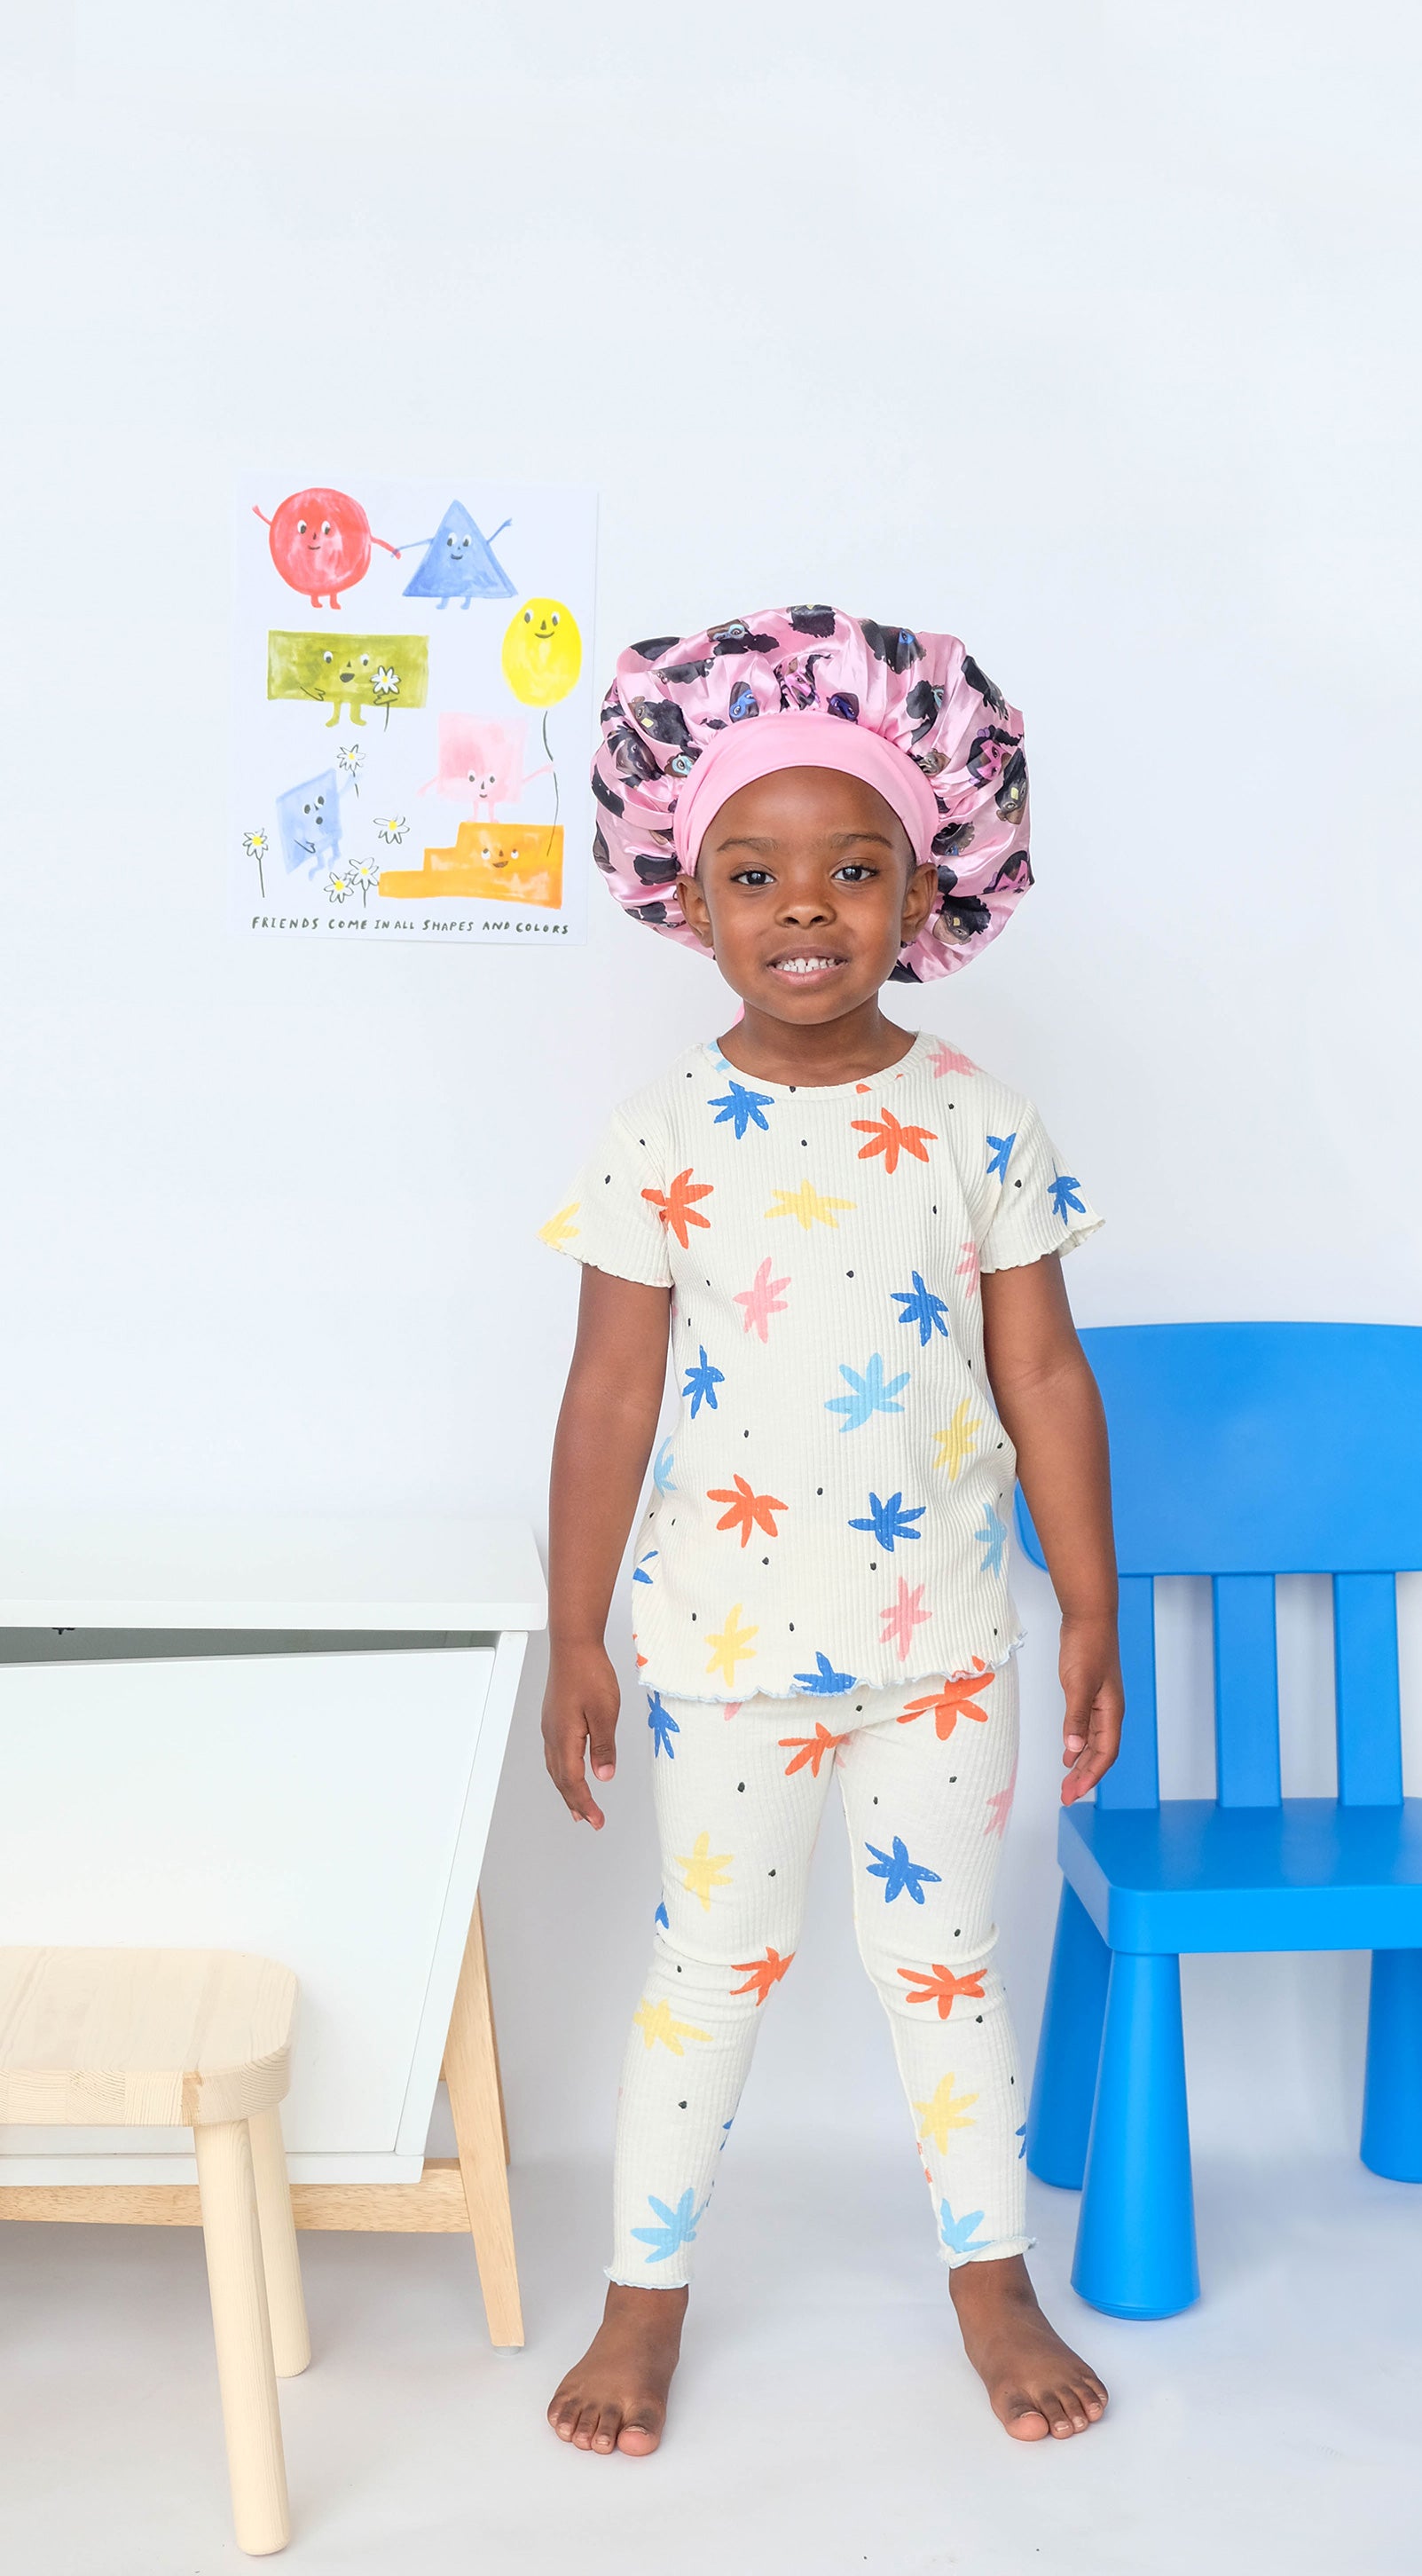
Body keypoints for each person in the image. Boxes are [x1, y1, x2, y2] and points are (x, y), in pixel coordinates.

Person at [537, 607, 1121, 2455]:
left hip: (942, 1645)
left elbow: (1042, 1379)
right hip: (718, 1654)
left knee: (945, 1966)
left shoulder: (982, 1121)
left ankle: (991, 2276)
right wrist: (574, 1632)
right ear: (687, 894)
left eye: (855, 867)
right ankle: (641, 2307)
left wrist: (1085, 1603)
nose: (808, 906)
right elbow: (610, 1402)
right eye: (758, 871)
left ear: (922, 888)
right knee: (703, 1976)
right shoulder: (656, 1139)